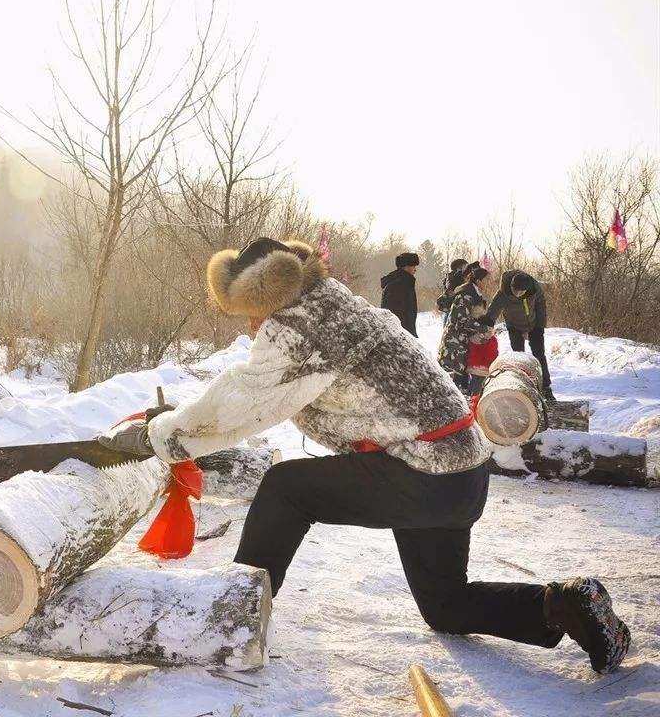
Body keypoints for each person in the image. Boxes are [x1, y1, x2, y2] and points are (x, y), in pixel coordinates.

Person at [102, 238, 629, 674]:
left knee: (286, 488)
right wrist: (180, 421)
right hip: (460, 471)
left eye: (248, 313)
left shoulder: (302, 326)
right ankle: (565, 605)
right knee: (446, 605)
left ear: (261, 296)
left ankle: (228, 619)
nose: (248, 326)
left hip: (421, 471)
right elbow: (259, 392)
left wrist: (162, 436)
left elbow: (242, 401)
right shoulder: (333, 302)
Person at [482, 270, 554, 402]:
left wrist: (540, 326)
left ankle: (546, 387)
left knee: (539, 355)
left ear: (526, 289)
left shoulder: (535, 288)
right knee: (518, 356)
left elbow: (541, 306)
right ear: (511, 287)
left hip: (534, 325)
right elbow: (494, 308)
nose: (517, 294)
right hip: (514, 325)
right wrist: (488, 322)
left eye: (521, 292)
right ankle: (522, 386)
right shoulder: (504, 291)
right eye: (515, 291)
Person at [438, 263, 489, 393]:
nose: (489, 283)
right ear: (478, 281)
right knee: (451, 382)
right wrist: (482, 328)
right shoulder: (465, 295)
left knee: (460, 378)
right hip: (455, 344)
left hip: (463, 342)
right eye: (486, 280)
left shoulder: (475, 294)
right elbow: (462, 320)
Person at [379, 252, 419, 336]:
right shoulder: (399, 284)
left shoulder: (404, 282)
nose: (415, 269)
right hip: (399, 334)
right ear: (406, 267)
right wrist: (407, 334)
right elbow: (396, 312)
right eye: (413, 266)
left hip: (401, 333)